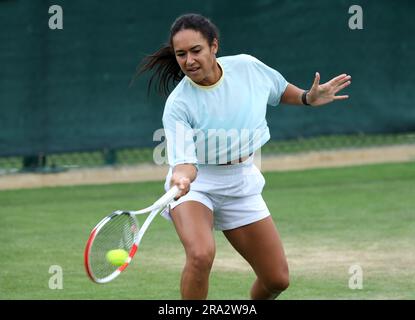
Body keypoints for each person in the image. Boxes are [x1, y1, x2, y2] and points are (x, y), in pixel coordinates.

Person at [136, 13, 351, 300]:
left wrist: (306, 98)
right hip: (196, 185)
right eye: (181, 54)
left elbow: (278, 89)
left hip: (242, 181)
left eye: (196, 50)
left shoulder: (247, 68)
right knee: (201, 255)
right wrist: (181, 177)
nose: (189, 60)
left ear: (214, 46)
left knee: (277, 280)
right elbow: (185, 164)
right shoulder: (178, 104)